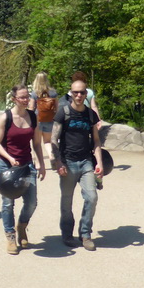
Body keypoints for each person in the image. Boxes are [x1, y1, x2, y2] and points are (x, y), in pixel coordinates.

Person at [50, 76, 104, 251]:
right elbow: (53, 139)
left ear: (86, 93)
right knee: (67, 201)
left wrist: (100, 163)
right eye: (76, 92)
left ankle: (85, 233)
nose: (79, 95)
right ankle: (66, 233)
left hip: (86, 162)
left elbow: (96, 141)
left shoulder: (90, 114)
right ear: (71, 93)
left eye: (82, 92)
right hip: (68, 162)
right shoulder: (63, 112)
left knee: (92, 197)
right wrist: (58, 162)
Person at [0, 84, 46, 254]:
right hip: (6, 165)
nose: (25, 100)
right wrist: (9, 158)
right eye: (22, 97)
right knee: (8, 203)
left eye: (27, 97)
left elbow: (37, 143)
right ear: (14, 99)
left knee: (31, 202)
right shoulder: (6, 117)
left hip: (26, 165)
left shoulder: (33, 117)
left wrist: (41, 164)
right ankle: (10, 236)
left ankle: (22, 226)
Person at [29, 71, 58, 152]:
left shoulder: (35, 93)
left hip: (37, 119)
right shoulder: (53, 92)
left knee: (36, 143)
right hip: (49, 119)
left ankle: (38, 163)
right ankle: (51, 156)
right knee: (47, 142)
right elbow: (57, 107)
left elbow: (31, 108)